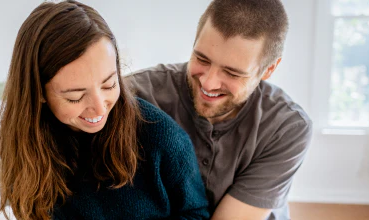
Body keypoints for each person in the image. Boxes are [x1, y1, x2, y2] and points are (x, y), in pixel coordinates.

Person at [0, 1, 209, 220]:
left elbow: (196, 215)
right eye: (75, 97)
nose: (100, 107)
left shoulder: (163, 140)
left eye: (109, 85)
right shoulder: (24, 146)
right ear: (38, 93)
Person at [127, 0, 313, 219]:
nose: (208, 83)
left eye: (232, 73)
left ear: (268, 69)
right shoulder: (134, 95)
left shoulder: (287, 127)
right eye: (202, 59)